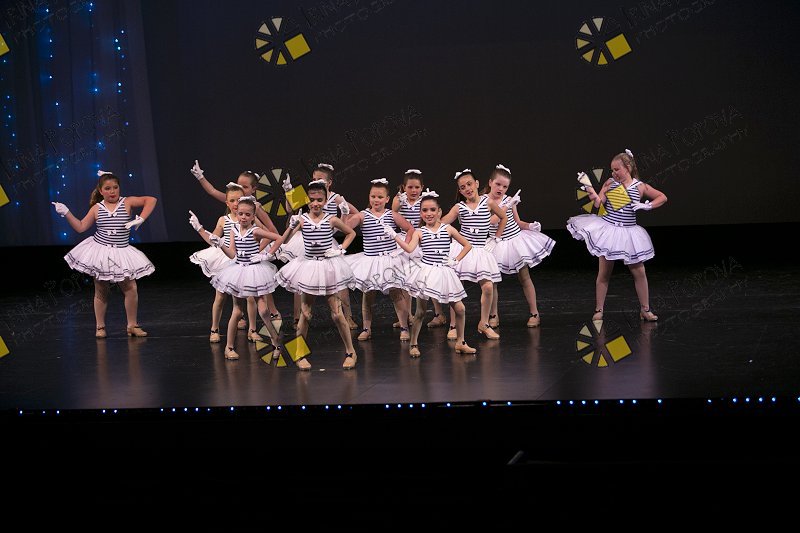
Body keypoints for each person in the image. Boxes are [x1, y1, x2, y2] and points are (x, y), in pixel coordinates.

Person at [51, 170, 157, 338]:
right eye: (107, 188)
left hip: (121, 252)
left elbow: (151, 200)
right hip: (101, 251)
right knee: (101, 290)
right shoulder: (97, 208)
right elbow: (81, 227)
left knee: (131, 288)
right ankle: (100, 327)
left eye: (115, 187)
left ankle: (132, 325)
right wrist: (67, 213)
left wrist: (141, 219)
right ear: (101, 191)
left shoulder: (127, 202)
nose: (112, 191)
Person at [190, 196, 294, 364]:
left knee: (263, 310)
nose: (243, 217)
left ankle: (276, 342)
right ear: (236, 214)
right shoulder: (233, 230)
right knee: (237, 311)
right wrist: (220, 244)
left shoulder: (256, 231)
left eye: (247, 214)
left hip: (255, 271)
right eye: (240, 214)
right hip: (238, 271)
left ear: (253, 216)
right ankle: (229, 347)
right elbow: (232, 254)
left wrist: (266, 254)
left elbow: (278, 238)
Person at [567, 149, 668, 321]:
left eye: (617, 169)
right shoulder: (610, 183)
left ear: (627, 167)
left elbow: (662, 197)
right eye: (612, 170)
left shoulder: (640, 186)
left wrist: (647, 206)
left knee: (639, 272)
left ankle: (645, 309)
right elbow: (599, 204)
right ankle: (599, 310)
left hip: (629, 233)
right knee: (604, 273)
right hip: (610, 231)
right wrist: (589, 187)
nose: (614, 173)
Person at [190, 160, 282, 335]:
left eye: (244, 187)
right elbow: (213, 191)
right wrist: (201, 177)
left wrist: (260, 251)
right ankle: (224, 325)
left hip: (248, 253)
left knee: (257, 291)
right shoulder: (229, 212)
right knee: (227, 293)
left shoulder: (254, 209)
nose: (240, 190)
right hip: (229, 252)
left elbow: (269, 232)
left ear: (253, 189)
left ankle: (265, 319)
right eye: (239, 186)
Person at [275, 180, 359, 369]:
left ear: (325, 200)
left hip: (327, 267)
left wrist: (340, 250)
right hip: (309, 268)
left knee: (337, 314)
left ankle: (350, 352)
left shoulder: (331, 219)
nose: (315, 203)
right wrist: (290, 225)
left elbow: (351, 233)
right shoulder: (302, 220)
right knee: (305, 314)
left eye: (319, 200)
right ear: (307, 200)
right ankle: (299, 355)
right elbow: (285, 239)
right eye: (312, 199)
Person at [386, 189, 476, 358]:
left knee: (460, 308)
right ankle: (414, 343)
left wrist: (455, 260)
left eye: (432, 210)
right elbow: (409, 249)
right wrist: (395, 237)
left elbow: (467, 245)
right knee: (420, 312)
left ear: (439, 211)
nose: (429, 213)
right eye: (425, 210)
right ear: (421, 213)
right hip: (426, 273)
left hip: (445, 272)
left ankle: (461, 342)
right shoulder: (420, 232)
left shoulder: (448, 229)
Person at [484, 164, 555, 328]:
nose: (501, 189)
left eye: (505, 186)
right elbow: (491, 221)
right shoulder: (485, 201)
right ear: (490, 182)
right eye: (498, 184)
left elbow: (518, 222)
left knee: (524, 277)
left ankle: (534, 313)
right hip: (496, 243)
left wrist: (530, 226)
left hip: (515, 241)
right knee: (492, 281)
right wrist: (506, 206)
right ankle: (493, 315)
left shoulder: (509, 200)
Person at [344, 178, 414, 342]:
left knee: (396, 293)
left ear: (387, 199)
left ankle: (404, 327)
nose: (376, 200)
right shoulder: (363, 215)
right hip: (370, 261)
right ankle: (366, 328)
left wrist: (404, 245)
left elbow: (409, 228)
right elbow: (347, 227)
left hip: (389, 260)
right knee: (368, 294)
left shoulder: (392, 215)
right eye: (373, 196)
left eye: (380, 197)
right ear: (369, 197)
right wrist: (345, 214)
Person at [441, 169, 507, 340]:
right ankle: (453, 325)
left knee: (488, 287)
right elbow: (443, 223)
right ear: (460, 191)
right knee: (455, 287)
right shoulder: (459, 207)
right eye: (463, 187)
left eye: (469, 184)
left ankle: (484, 323)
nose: (467, 189)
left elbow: (503, 217)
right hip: (462, 249)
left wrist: (496, 238)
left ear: (477, 184)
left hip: (480, 250)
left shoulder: (488, 202)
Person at [391, 169, 447, 329]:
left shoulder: (425, 201)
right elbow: (392, 215)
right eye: (410, 187)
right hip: (405, 241)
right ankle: (407, 315)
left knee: (428, 277)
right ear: (404, 187)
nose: (413, 190)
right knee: (405, 279)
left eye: (417, 187)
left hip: (423, 240)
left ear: (422, 187)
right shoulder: (399, 199)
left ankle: (439, 314)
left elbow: (435, 219)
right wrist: (398, 202)